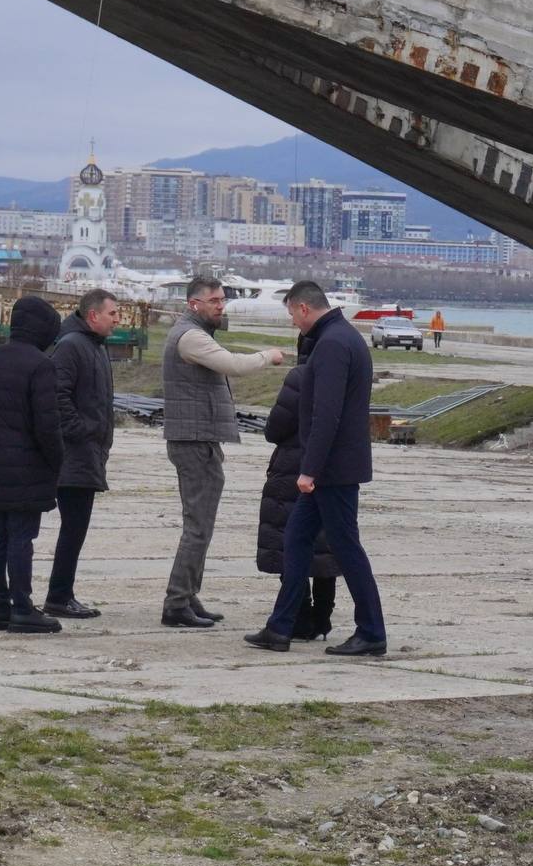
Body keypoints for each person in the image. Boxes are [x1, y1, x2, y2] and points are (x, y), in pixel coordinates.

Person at [243, 282, 385, 656]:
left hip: (332, 471)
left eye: (291, 314)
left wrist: (310, 470)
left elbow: (327, 415)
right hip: (333, 467)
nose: (293, 323)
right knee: (295, 540)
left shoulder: (333, 345)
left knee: (346, 547)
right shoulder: (342, 338)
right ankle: (280, 628)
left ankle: (371, 631)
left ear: (304, 308)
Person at [159, 273, 290, 629]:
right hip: (193, 440)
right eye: (215, 301)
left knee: (202, 524)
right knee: (197, 525)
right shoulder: (190, 337)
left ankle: (188, 594)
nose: (221, 306)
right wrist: (269, 355)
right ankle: (176, 602)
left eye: (222, 300)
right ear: (194, 304)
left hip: (200, 438)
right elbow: (234, 364)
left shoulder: (195, 332)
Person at [0, 295, 67, 634]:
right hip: (28, 468)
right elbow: (47, 425)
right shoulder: (40, 365)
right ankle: (22, 606)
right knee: (20, 538)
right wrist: (57, 463)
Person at [43, 288, 119, 619]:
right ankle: (59, 597)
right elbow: (57, 397)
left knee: (76, 529)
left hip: (89, 455)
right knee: (73, 529)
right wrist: (82, 434)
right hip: (74, 456)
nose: (117, 319)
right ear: (93, 316)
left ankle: (63, 593)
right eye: (112, 314)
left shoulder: (96, 347)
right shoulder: (72, 346)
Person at [255, 355, 339, 639]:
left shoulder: (301, 376)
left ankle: (300, 616)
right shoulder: (342, 374)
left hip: (294, 467)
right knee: (326, 546)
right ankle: (323, 616)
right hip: (332, 467)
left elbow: (275, 427)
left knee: (289, 542)